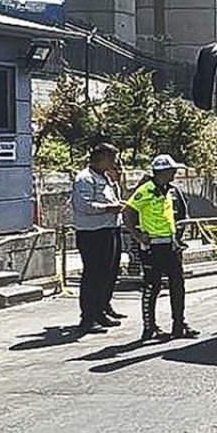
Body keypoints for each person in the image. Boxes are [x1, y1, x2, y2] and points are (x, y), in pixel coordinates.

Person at [124, 154, 200, 342]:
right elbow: (128, 211)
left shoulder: (170, 190)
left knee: (178, 285)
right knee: (152, 286)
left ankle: (179, 324)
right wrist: (137, 235)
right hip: (152, 246)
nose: (175, 173)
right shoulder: (146, 190)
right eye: (172, 170)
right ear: (163, 171)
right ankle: (149, 327)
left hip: (170, 245)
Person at [71, 143, 126, 334]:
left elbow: (112, 198)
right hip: (92, 233)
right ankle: (87, 317)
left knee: (108, 273)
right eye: (112, 158)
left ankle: (100, 310)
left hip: (110, 229)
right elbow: (83, 205)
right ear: (101, 158)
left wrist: (118, 184)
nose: (115, 162)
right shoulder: (84, 178)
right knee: (93, 275)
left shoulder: (106, 177)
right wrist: (108, 209)